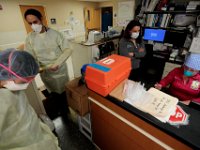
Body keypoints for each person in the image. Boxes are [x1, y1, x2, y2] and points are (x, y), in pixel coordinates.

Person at [0, 49, 60, 150]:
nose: (26, 85)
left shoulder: (9, 86)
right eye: (23, 82)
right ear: (7, 74)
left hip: (35, 132)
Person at [24, 9, 72, 116]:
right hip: (45, 72)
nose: (33, 25)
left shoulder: (55, 34)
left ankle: (66, 110)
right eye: (30, 23)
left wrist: (58, 63)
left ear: (41, 19)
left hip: (60, 70)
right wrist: (36, 67)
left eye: (35, 22)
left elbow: (68, 49)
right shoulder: (29, 38)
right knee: (52, 92)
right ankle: (59, 110)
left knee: (63, 92)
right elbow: (30, 56)